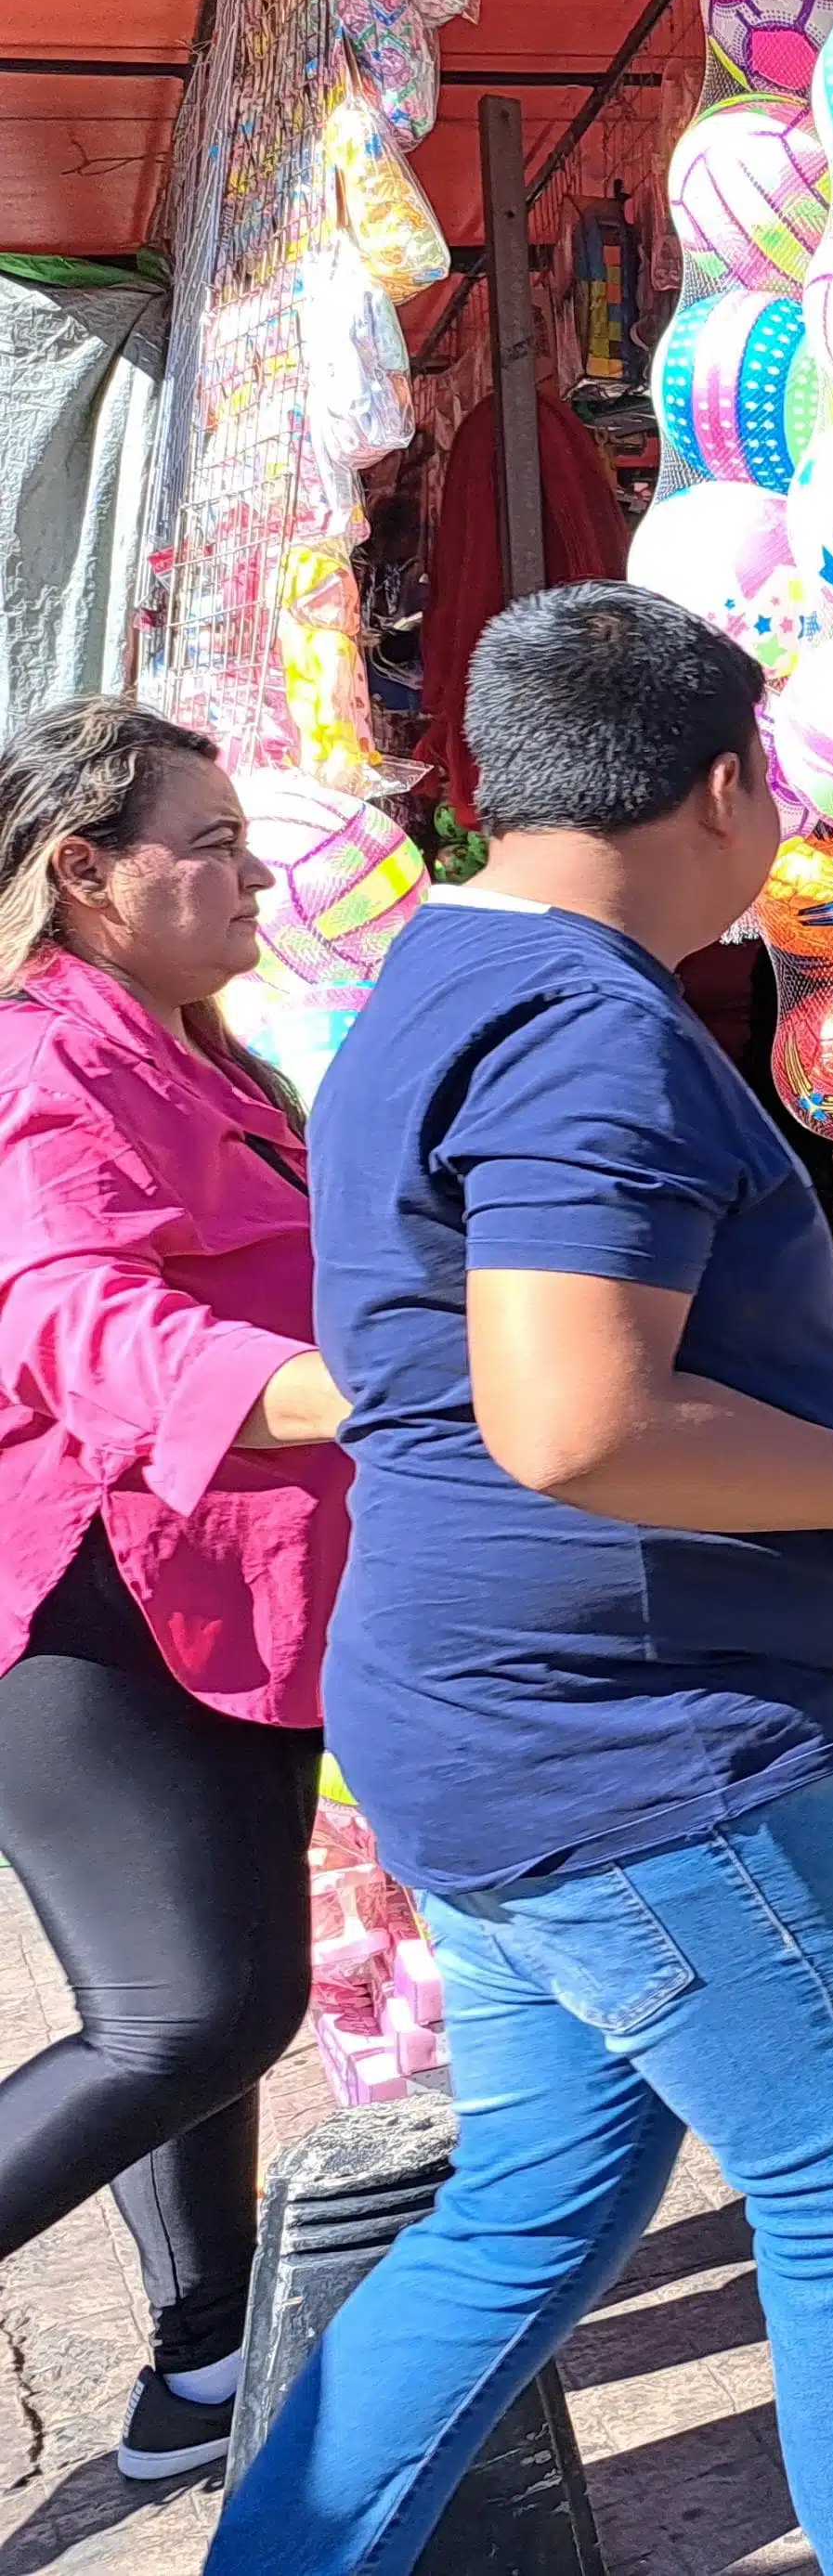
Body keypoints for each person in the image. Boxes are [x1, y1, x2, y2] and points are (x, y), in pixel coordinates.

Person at [218, 584, 833, 2576]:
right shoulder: (589, 1029)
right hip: (635, 1749)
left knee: (532, 2206)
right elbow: (575, 1419)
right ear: (728, 787)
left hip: (486, 1720)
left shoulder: (438, 970)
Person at [0, 702, 349, 2482]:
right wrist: (361, 1386)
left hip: (223, 1581)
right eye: (208, 840)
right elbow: (74, 1321)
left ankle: (202, 2361)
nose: (257, 866)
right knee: (191, 2010)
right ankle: (201, 2344)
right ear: (84, 872)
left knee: (208, 1997)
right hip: (79, 1595)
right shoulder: (36, 1060)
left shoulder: (201, 1057)